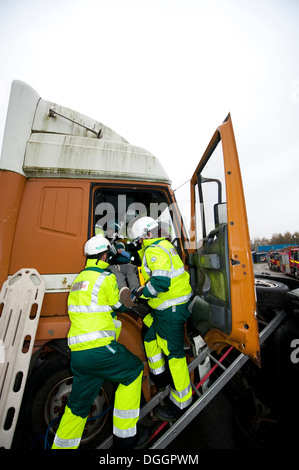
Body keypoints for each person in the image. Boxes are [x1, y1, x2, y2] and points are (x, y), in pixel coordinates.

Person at [51, 234, 146, 449]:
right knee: (133, 370)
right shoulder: (105, 278)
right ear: (105, 255)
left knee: (77, 406)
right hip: (100, 350)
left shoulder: (76, 282)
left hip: (79, 355)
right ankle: (125, 439)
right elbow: (118, 304)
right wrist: (131, 305)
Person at [131, 217, 193, 421]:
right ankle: (161, 379)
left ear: (148, 234)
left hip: (170, 308)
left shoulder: (154, 250)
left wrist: (141, 294)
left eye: (140, 239)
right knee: (149, 336)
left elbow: (160, 283)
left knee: (173, 354)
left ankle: (181, 404)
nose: (140, 243)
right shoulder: (164, 245)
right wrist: (143, 290)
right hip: (166, 307)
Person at [107, 239, 141, 308]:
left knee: (132, 269)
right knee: (118, 275)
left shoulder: (125, 253)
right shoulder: (110, 253)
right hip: (112, 266)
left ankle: (135, 290)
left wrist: (121, 252)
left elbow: (128, 256)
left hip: (122, 266)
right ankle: (123, 291)